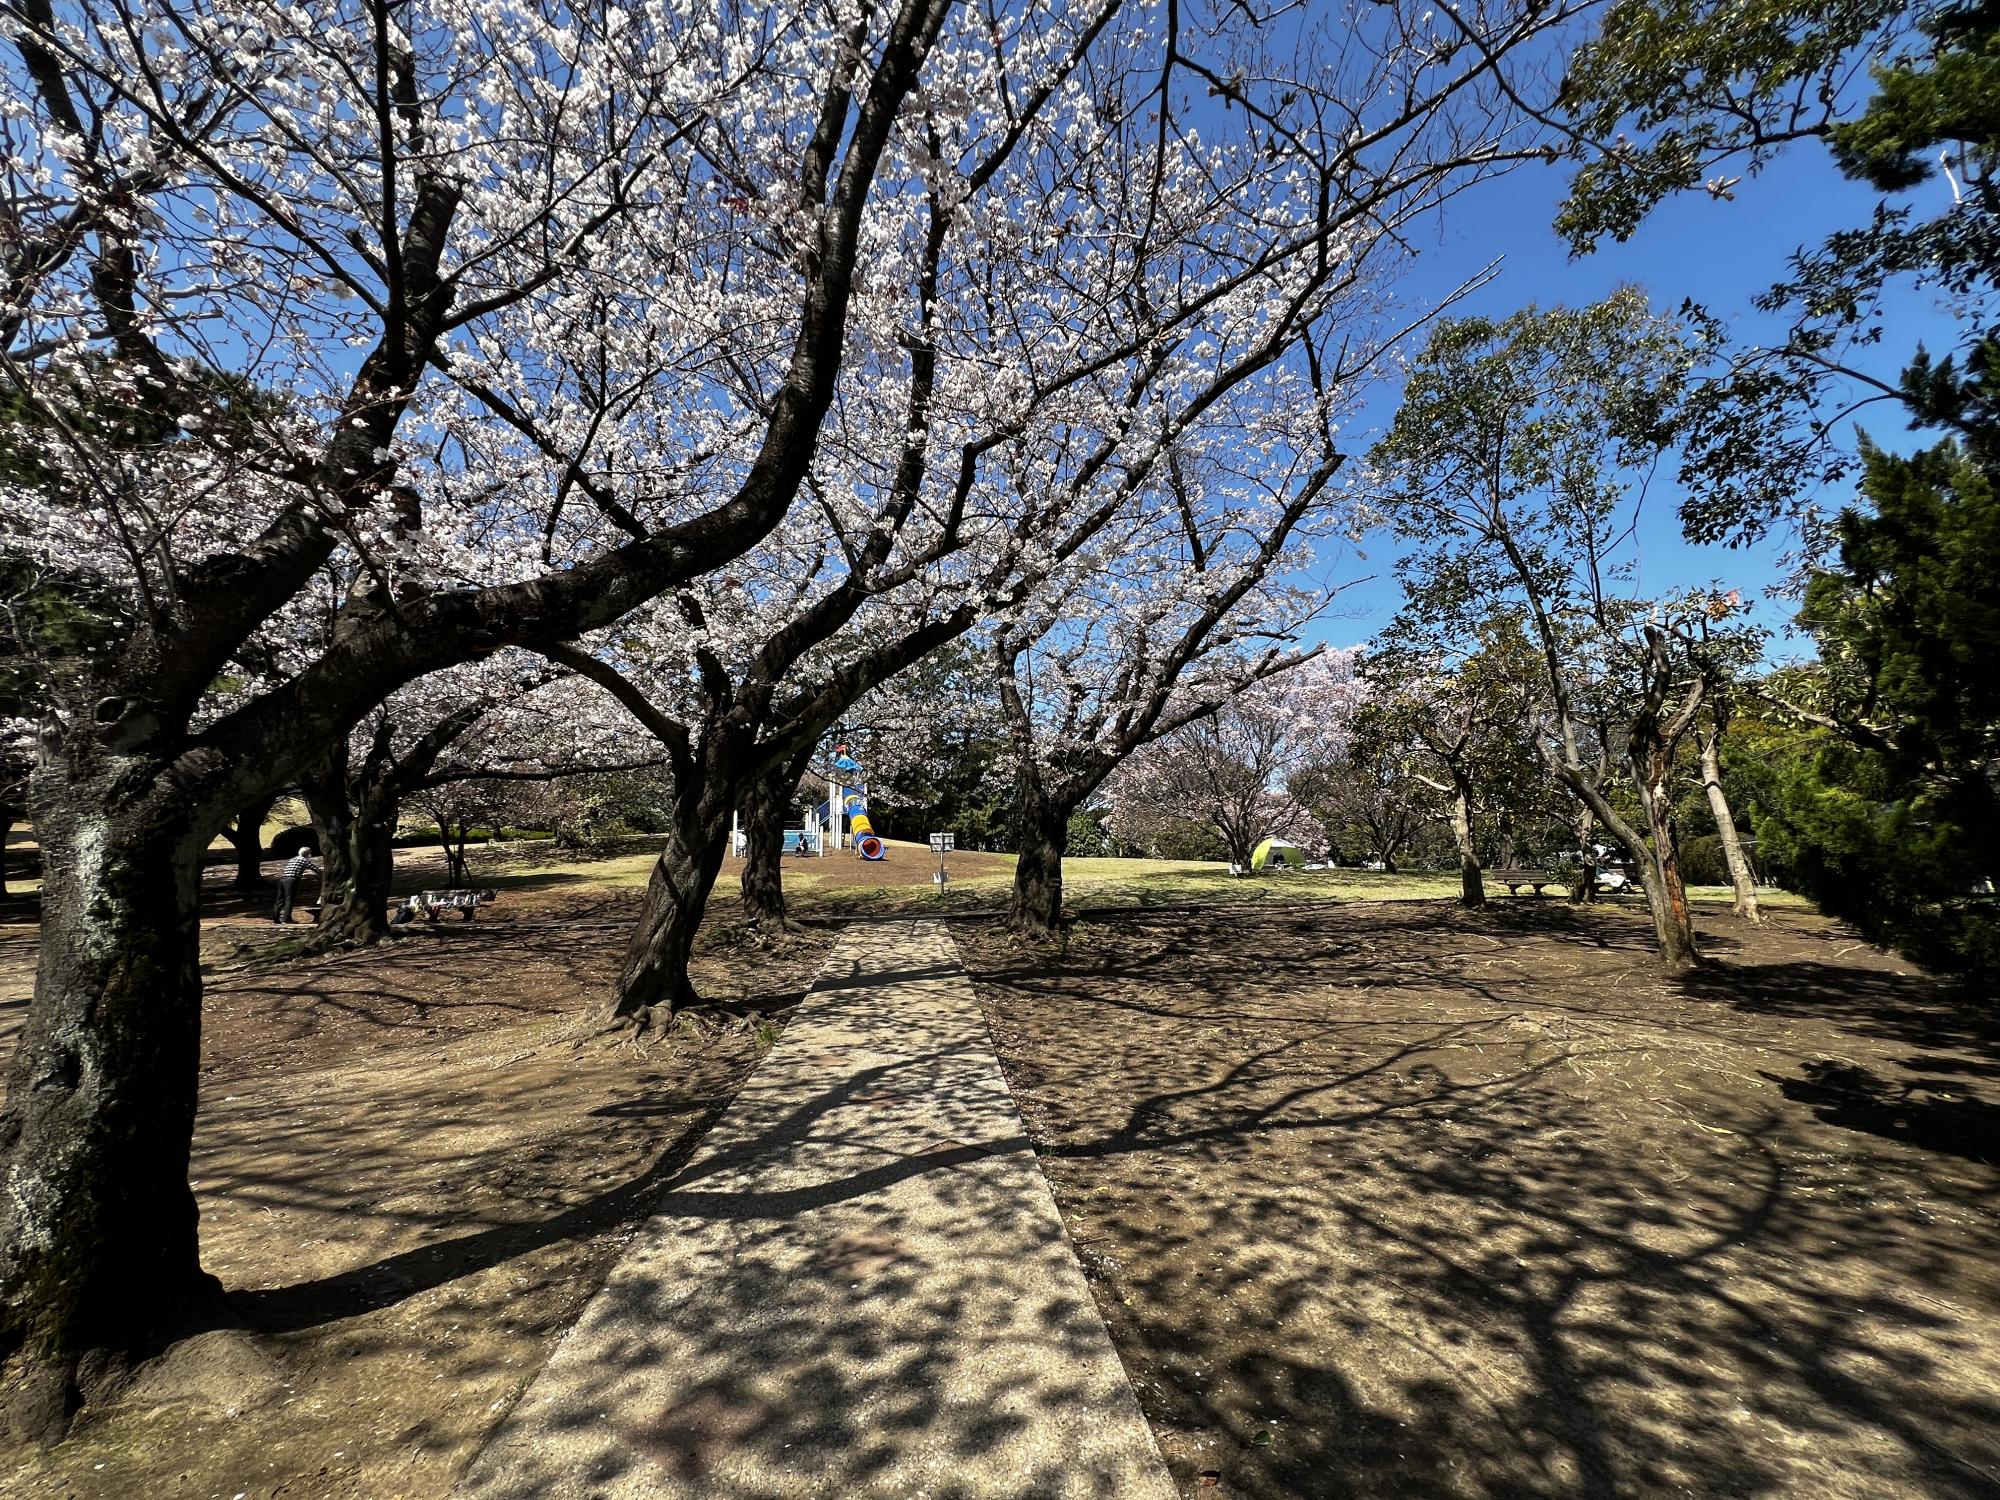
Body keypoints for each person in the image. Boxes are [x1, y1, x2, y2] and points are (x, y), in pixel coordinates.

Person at [272, 845, 319, 924]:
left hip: (283, 879)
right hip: (292, 880)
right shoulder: (304, 860)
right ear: (307, 854)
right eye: (310, 853)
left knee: (279, 900)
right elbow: (315, 869)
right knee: (289, 900)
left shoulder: (293, 859)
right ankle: (286, 919)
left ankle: (275, 918)